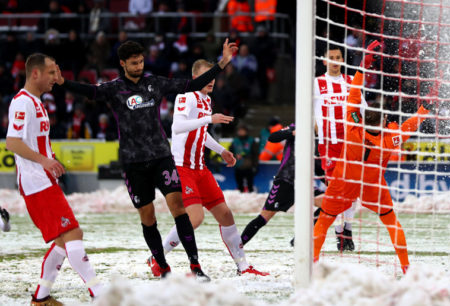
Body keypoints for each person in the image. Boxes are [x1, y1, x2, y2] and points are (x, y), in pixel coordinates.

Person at [54, 39, 238, 279]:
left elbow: (194, 83)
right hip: (133, 163)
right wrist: (62, 82)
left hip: (162, 157)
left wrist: (222, 63)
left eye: (141, 61)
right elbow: (90, 91)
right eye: (134, 63)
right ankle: (162, 266)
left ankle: (196, 266)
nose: (139, 66)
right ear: (122, 64)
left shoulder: (154, 83)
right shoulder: (115, 89)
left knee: (179, 208)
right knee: (148, 216)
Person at [312, 41, 432, 274]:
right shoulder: (389, 139)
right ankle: (406, 267)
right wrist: (424, 108)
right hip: (372, 184)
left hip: (344, 179)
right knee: (390, 221)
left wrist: (362, 66)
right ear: (384, 122)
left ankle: (313, 262)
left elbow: (354, 96)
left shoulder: (352, 128)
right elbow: (408, 125)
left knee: (324, 219)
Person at [149, 59, 268, 277]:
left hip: (200, 168)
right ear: (196, 78)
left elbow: (200, 133)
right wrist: (209, 118)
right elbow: (177, 127)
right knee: (195, 218)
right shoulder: (186, 96)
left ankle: (243, 266)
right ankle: (157, 258)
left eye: (213, 76)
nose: (211, 81)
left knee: (226, 215)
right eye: (207, 76)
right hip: (181, 167)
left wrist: (221, 150)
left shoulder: (207, 101)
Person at [6, 53, 103, 305]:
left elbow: (34, 141)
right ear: (35, 73)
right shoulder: (22, 102)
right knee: (73, 233)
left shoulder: (38, 102)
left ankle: (41, 298)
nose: (56, 77)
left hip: (44, 180)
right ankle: (100, 294)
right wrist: (44, 161)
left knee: (62, 241)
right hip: (36, 182)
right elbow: (12, 142)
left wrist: (51, 159)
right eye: (51, 72)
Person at [313, 44, 365, 251]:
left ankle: (347, 231)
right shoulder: (316, 84)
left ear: (342, 60)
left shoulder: (352, 82)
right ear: (324, 61)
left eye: (338, 57)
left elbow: (363, 109)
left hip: (351, 144)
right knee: (336, 191)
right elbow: (306, 110)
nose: (335, 61)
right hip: (330, 146)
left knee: (352, 190)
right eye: (331, 57)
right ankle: (337, 231)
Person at [241, 124, 324, 245]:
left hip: (304, 183)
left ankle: (300, 238)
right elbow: (273, 137)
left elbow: (318, 167)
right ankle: (238, 245)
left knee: (328, 204)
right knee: (264, 217)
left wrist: (329, 181)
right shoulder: (298, 125)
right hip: (286, 179)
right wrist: (293, 133)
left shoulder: (321, 139)